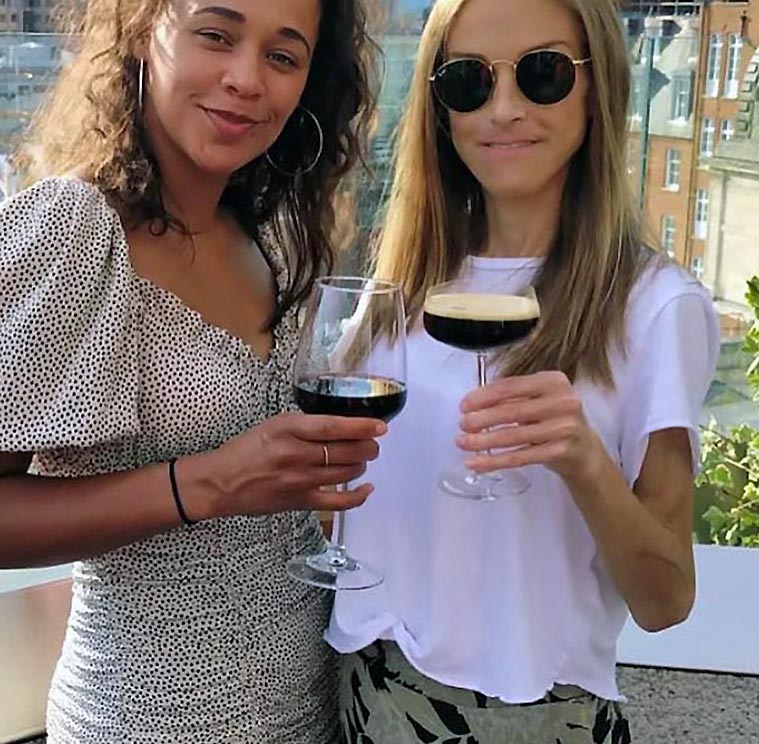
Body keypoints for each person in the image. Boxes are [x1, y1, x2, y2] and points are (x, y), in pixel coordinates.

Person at [328, 0, 721, 741]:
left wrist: (585, 463)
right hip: (365, 696)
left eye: (542, 74)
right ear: (438, 109)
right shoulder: (396, 288)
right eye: (468, 81)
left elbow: (665, 600)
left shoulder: (653, 306)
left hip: (531, 719)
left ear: (597, 87)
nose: (503, 108)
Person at [0, 1, 383, 742]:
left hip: (312, 711)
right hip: (144, 720)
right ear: (146, 31)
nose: (246, 79)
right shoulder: (76, 230)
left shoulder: (274, 236)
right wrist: (204, 484)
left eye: (282, 56)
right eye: (216, 35)